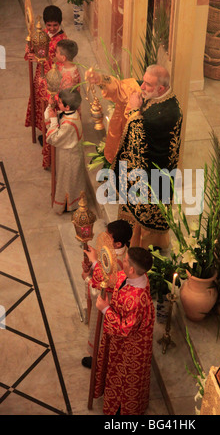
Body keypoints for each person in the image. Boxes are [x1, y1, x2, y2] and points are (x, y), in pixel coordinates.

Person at [85, 64, 183, 250]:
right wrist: (100, 79)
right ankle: (127, 236)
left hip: (154, 175)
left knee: (147, 215)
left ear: (161, 88)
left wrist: (133, 110)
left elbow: (139, 135)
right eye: (144, 81)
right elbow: (124, 88)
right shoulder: (152, 93)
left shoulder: (168, 113)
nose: (142, 87)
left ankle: (143, 250)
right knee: (131, 207)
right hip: (138, 170)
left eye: (147, 84)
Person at [93, 246, 155, 415]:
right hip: (118, 342)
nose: (123, 262)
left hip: (130, 349)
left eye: (125, 260)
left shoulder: (138, 299)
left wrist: (106, 309)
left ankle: (122, 410)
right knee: (112, 372)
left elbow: (124, 328)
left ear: (132, 269)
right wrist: (93, 264)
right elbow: (111, 279)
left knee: (125, 380)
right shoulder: (130, 276)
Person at [81, 219, 133, 368]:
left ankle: (98, 359)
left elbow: (102, 283)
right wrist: (89, 266)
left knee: (101, 331)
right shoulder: (120, 252)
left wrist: (88, 276)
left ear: (117, 244)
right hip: (110, 300)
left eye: (108, 237)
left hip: (108, 302)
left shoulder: (117, 261)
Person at [24, 5, 67, 166]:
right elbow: (38, 51)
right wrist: (31, 50)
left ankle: (52, 137)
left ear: (60, 24)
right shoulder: (43, 35)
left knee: (50, 110)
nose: (52, 28)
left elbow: (60, 62)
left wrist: (41, 59)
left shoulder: (62, 40)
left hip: (52, 83)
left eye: (55, 25)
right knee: (40, 108)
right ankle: (44, 132)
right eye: (49, 25)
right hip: (40, 79)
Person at [46, 88, 85, 214]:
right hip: (67, 153)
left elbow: (53, 138)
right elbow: (56, 118)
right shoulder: (71, 113)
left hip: (69, 157)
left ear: (67, 107)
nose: (58, 104)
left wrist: (52, 119)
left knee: (67, 181)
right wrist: (50, 106)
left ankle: (68, 205)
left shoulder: (69, 124)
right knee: (67, 180)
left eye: (60, 103)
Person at [43, 39, 81, 168]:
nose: (55, 55)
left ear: (63, 57)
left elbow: (65, 97)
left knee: (60, 141)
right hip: (64, 106)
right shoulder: (67, 67)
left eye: (57, 53)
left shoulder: (69, 76)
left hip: (64, 111)